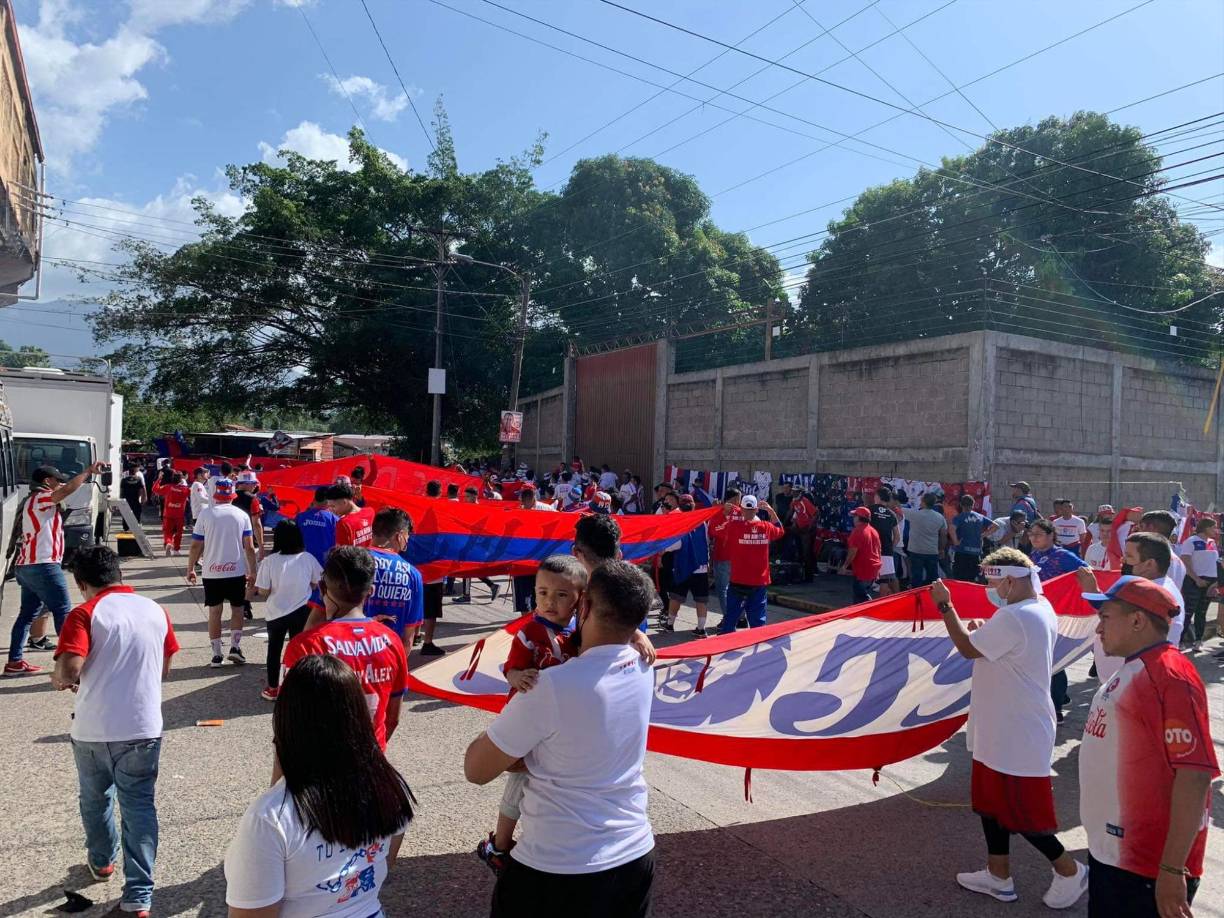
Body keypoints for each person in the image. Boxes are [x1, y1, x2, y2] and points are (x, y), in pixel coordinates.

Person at [464, 561, 656, 916]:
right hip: (635, 853)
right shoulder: (643, 664)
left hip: (558, 866)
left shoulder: (549, 687)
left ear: (582, 606)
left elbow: (476, 769)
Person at [929, 552, 1088, 909]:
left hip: (1018, 729)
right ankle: (998, 876)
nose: (991, 590)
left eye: (993, 583)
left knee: (1022, 812)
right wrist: (984, 635)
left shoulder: (1017, 615)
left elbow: (969, 650)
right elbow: (996, 647)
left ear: (1011, 581)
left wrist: (945, 607)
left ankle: (1069, 871)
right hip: (1000, 724)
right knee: (991, 806)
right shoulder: (1037, 606)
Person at [224, 654, 416, 918]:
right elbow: (384, 863)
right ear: (359, 716)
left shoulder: (271, 819)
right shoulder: (390, 788)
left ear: (285, 721)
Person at [1078, 576, 1218, 918]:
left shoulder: (1170, 677)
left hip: (1144, 866)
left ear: (1138, 621)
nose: (1098, 629)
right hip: (1113, 854)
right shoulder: (1134, 666)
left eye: (1106, 617)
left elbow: (1195, 776)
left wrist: (1171, 871)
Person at [49, 546, 178, 918]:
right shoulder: (155, 610)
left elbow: (70, 670)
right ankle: (138, 896)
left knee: (95, 798)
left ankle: (102, 861)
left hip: (94, 729)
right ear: (118, 574)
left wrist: (58, 678)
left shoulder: (84, 613)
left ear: (81, 582)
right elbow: (164, 666)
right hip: (143, 728)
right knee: (138, 807)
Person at [475, 555, 588, 874]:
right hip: (526, 725)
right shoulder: (529, 632)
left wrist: (638, 636)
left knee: (553, 782)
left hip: (560, 727)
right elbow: (510, 667)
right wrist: (515, 678)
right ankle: (500, 845)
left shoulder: (580, 632)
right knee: (519, 783)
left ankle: (552, 836)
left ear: (580, 599)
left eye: (561, 595)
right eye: (542, 592)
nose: (550, 601)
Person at [282, 546, 409, 750]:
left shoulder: (306, 645)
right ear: (371, 591)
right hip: (372, 763)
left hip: (319, 767)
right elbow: (393, 717)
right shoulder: (392, 641)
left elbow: (288, 722)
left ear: (323, 588)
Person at [6, 462, 107, 676]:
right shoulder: (39, 498)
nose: (60, 483)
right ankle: (73, 663)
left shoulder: (35, 501)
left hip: (28, 566)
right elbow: (67, 490)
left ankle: (14, 661)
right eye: (57, 480)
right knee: (64, 611)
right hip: (42, 564)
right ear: (46, 482)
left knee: (27, 614)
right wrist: (88, 472)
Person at [185, 479, 258, 668]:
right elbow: (249, 547)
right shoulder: (242, 515)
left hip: (212, 572)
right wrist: (253, 572)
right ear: (233, 495)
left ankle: (216, 655)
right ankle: (235, 647)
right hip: (236, 571)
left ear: (216, 495)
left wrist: (191, 568)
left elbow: (195, 545)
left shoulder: (205, 515)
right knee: (237, 610)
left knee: (214, 612)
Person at [250, 521, 321, 702]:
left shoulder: (269, 561)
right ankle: (301, 686)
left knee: (274, 650)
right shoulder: (307, 558)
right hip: (302, 610)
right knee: (301, 649)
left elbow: (263, 590)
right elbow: (316, 582)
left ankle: (273, 687)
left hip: (276, 612)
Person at [717, 495, 784, 634]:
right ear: (756, 510)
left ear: (741, 509)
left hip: (738, 580)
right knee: (758, 622)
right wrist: (772, 512)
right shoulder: (766, 527)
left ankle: (725, 647)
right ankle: (756, 649)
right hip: (758, 581)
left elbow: (715, 530)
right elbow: (780, 530)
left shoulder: (734, 526)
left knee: (730, 619)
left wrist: (723, 512)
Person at [364, 507, 425, 650]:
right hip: (388, 662)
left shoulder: (348, 560)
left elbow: (319, 618)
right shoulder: (413, 575)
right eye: (407, 536)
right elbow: (407, 639)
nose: (407, 542)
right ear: (400, 535)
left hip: (345, 661)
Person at [665, 493, 710, 635]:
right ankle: (701, 629)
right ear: (693, 506)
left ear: (680, 505)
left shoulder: (679, 521)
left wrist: (663, 548)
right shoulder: (702, 522)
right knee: (701, 599)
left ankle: (669, 625)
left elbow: (675, 545)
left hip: (683, 565)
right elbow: (706, 542)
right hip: (701, 567)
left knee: (676, 596)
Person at [1176, 516, 1218, 652]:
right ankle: (1179, 641)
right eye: (1213, 527)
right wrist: (1196, 579)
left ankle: (1198, 641)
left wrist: (1215, 582)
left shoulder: (1212, 542)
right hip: (1194, 580)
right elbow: (1185, 561)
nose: (1215, 530)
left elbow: (1214, 563)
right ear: (1205, 528)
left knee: (1202, 613)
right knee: (1188, 612)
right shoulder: (1191, 541)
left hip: (1210, 582)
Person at [453, 487, 500, 604]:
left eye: (468, 497)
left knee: (467, 567)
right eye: (465, 497)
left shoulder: (479, 509)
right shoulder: (469, 508)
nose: (465, 499)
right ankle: (491, 586)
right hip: (471, 543)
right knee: (469, 568)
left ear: (474, 497)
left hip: (477, 544)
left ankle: (467, 594)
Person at [420, 481, 447, 656]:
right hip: (434, 568)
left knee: (417, 605)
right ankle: (427, 642)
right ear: (440, 491)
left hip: (417, 567)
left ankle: (415, 635)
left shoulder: (417, 506)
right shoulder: (440, 510)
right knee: (431, 609)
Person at [905, 491, 947, 589]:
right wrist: (941, 549)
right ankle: (935, 597)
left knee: (916, 576)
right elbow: (943, 535)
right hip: (932, 551)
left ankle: (916, 598)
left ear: (923, 502)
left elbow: (897, 509)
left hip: (916, 551)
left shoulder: (914, 514)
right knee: (933, 577)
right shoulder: (940, 517)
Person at [950, 494, 996, 582]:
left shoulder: (959, 517)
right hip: (975, 553)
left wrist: (955, 541)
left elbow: (952, 528)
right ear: (973, 505)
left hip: (962, 552)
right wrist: (983, 535)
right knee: (973, 579)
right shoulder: (980, 517)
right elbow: (995, 526)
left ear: (960, 504)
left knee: (960, 579)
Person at [841, 506, 881, 603]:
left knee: (861, 597)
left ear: (859, 518)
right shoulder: (873, 531)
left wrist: (844, 566)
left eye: (855, 516)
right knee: (861, 595)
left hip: (863, 570)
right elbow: (879, 550)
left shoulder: (857, 531)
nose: (853, 518)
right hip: (873, 569)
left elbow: (852, 552)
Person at [295, 486, 339, 568]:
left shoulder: (300, 517)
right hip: (325, 565)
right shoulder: (334, 519)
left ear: (314, 499)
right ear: (328, 501)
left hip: (304, 563)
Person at [868, 486, 901, 595]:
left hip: (871, 549)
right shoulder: (892, 514)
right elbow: (897, 536)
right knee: (884, 581)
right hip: (886, 550)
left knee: (863, 578)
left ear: (878, 497)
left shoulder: (869, 510)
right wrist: (890, 547)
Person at [154, 471, 190, 557]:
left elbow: (155, 489)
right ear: (181, 480)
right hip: (179, 515)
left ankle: (169, 543)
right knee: (178, 533)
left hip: (168, 514)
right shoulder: (186, 489)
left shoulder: (168, 487)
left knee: (167, 532)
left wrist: (159, 479)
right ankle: (176, 550)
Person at [328, 481, 375, 548]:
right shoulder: (370, 512)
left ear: (344, 502)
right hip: (367, 557)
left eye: (333, 506)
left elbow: (342, 554)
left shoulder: (344, 523)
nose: (330, 510)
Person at [118, 464, 146, 531]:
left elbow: (121, 491)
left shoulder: (124, 480)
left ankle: (126, 528)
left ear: (129, 472)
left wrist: (120, 500)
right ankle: (137, 528)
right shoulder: (139, 479)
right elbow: (142, 490)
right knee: (137, 515)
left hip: (126, 501)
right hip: (135, 500)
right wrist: (143, 498)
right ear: (135, 472)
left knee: (126, 515)